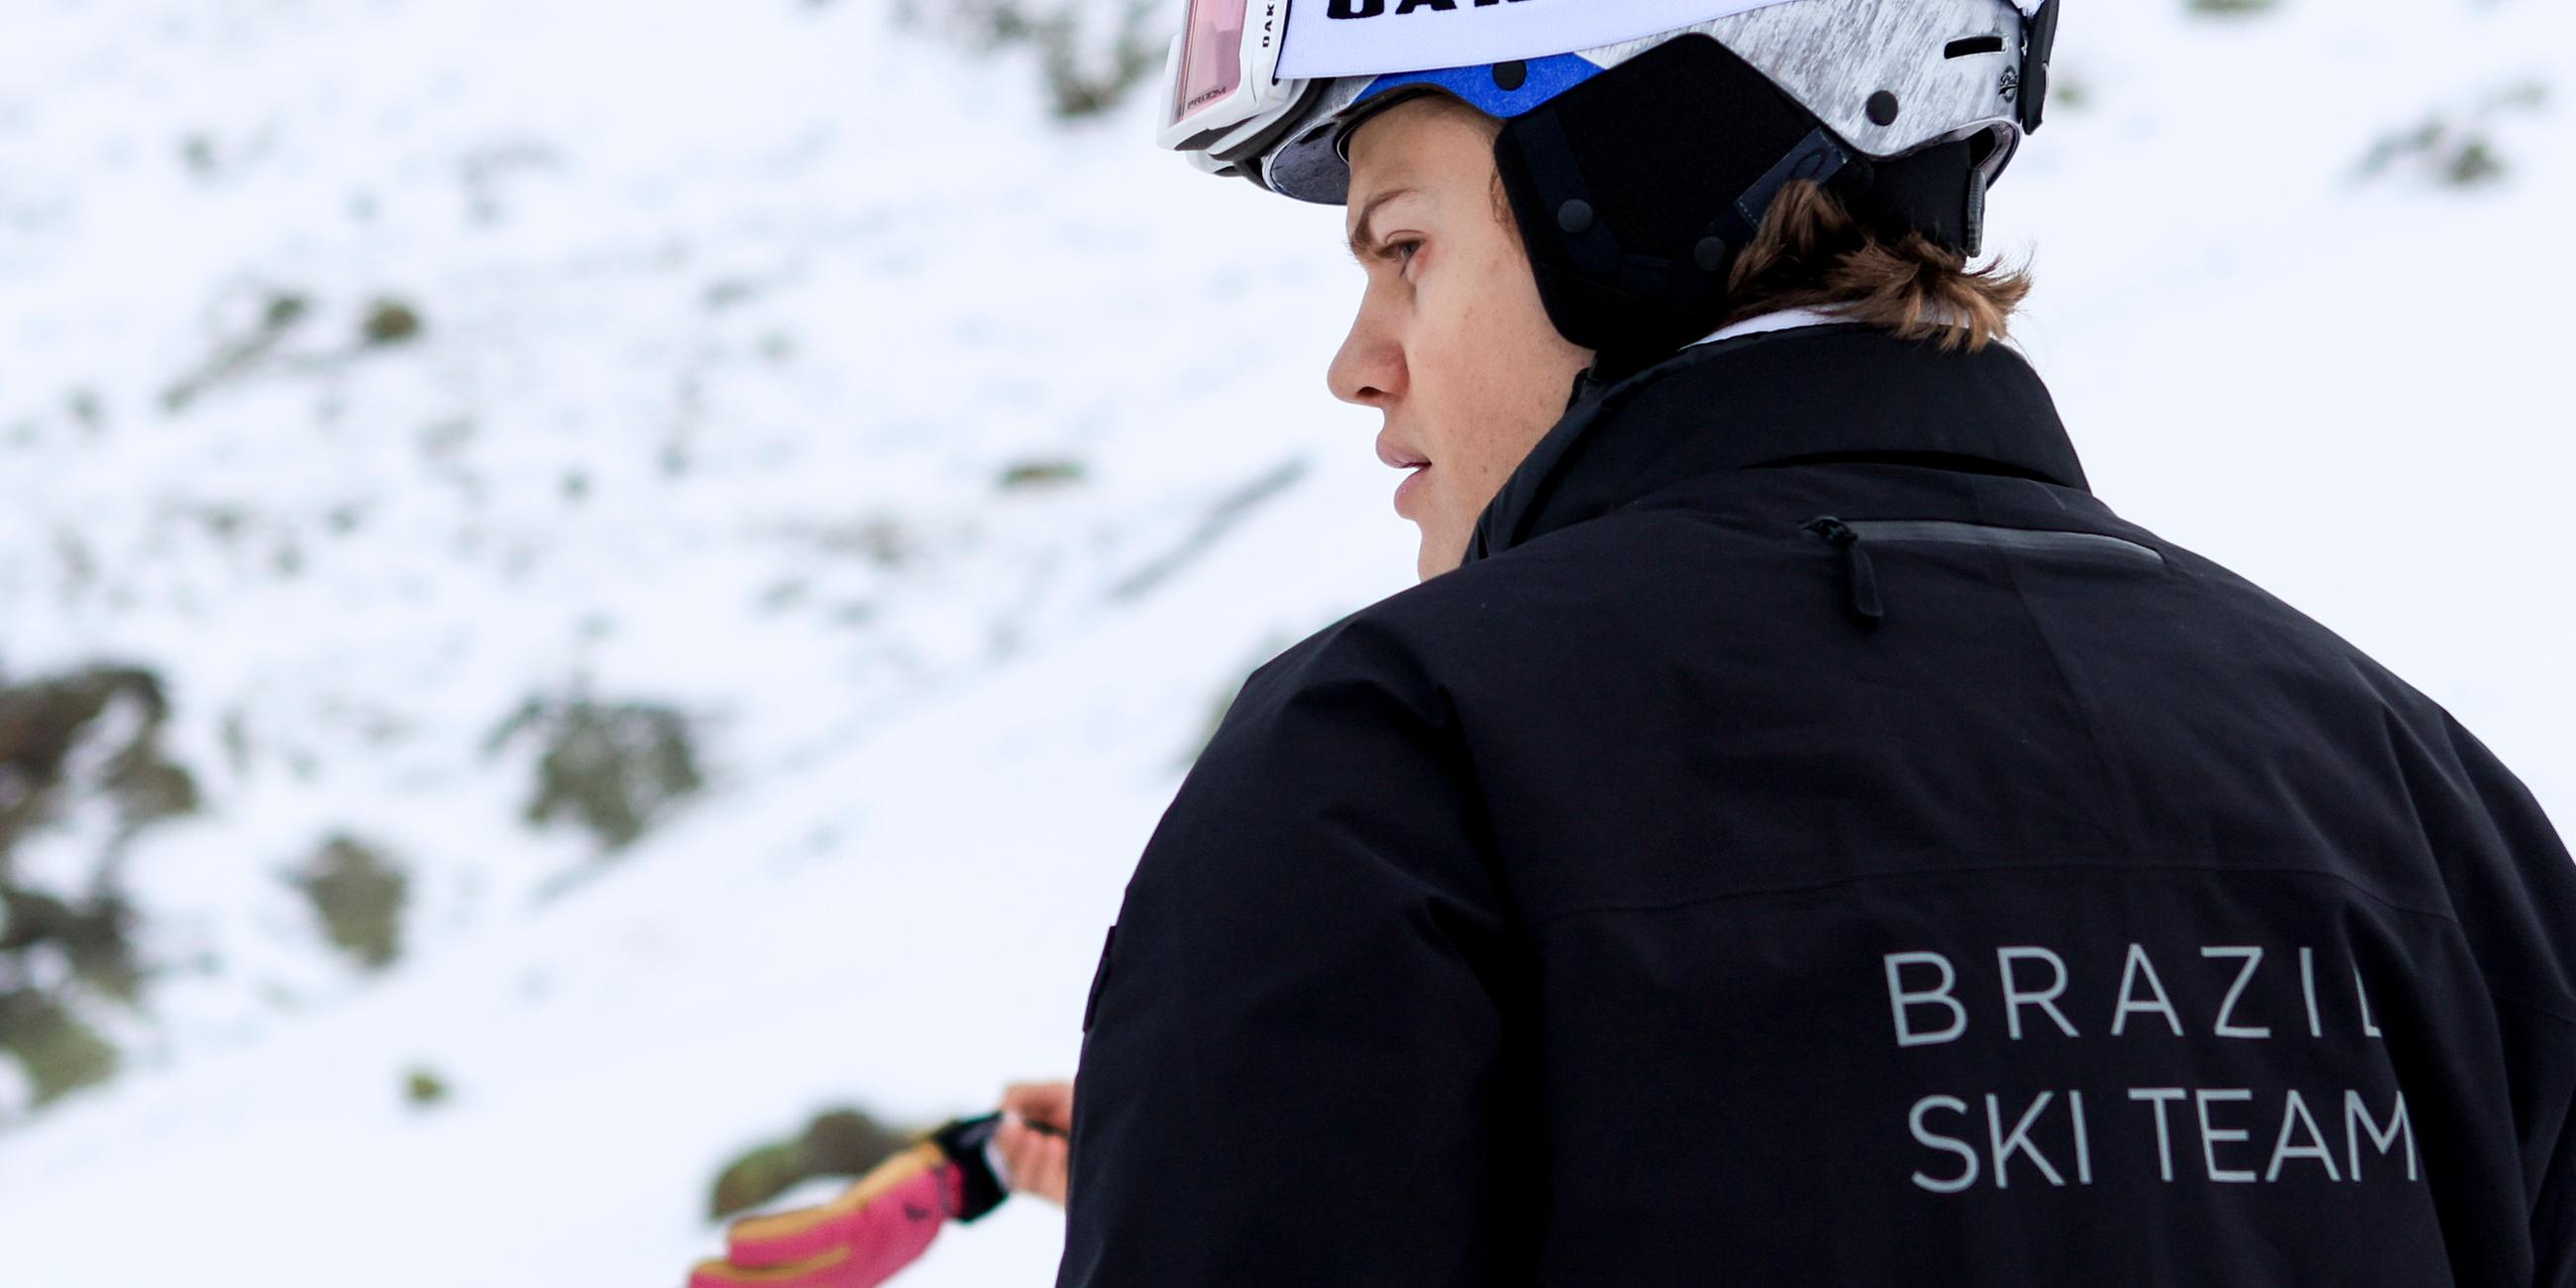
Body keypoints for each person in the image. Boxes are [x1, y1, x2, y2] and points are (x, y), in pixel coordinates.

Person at [1037, 0, 2576, 1284]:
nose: (1358, 364)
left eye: (1403, 245)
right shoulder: (2416, 790)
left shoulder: (1394, 766)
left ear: (1630, 188)